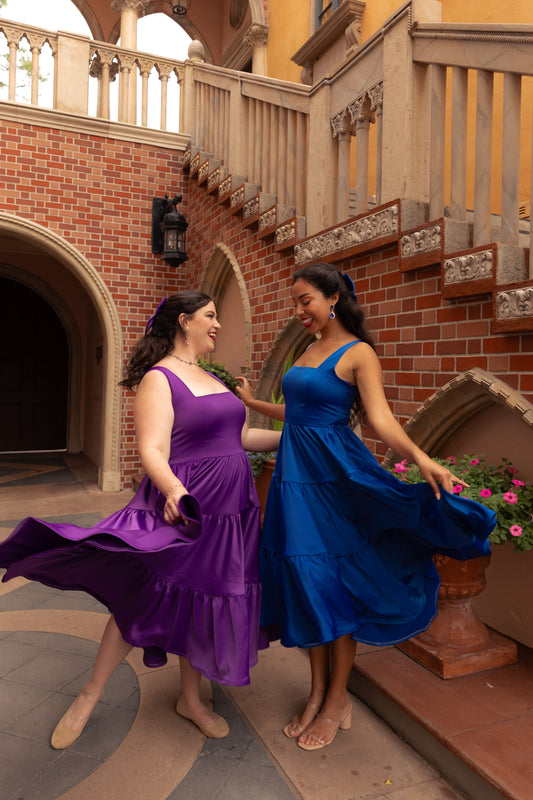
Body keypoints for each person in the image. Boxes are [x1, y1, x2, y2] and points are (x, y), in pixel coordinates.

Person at [0, 291, 280, 748]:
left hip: (233, 514)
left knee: (204, 599)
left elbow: (241, 435)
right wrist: (173, 490)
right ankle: (89, 695)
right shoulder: (160, 378)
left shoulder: (210, 376)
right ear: (184, 322)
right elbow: (152, 448)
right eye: (211, 317)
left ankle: (190, 701)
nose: (218, 325)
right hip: (188, 506)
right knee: (142, 600)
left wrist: (292, 440)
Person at [236, 263, 495, 752]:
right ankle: (315, 693)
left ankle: (337, 699)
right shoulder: (307, 350)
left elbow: (380, 420)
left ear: (333, 297)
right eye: (295, 302)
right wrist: (256, 403)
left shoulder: (359, 353)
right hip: (295, 483)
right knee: (304, 582)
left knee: (333, 587)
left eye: (305, 300)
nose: (299, 311)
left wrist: (423, 460)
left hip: (336, 481)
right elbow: (300, 413)